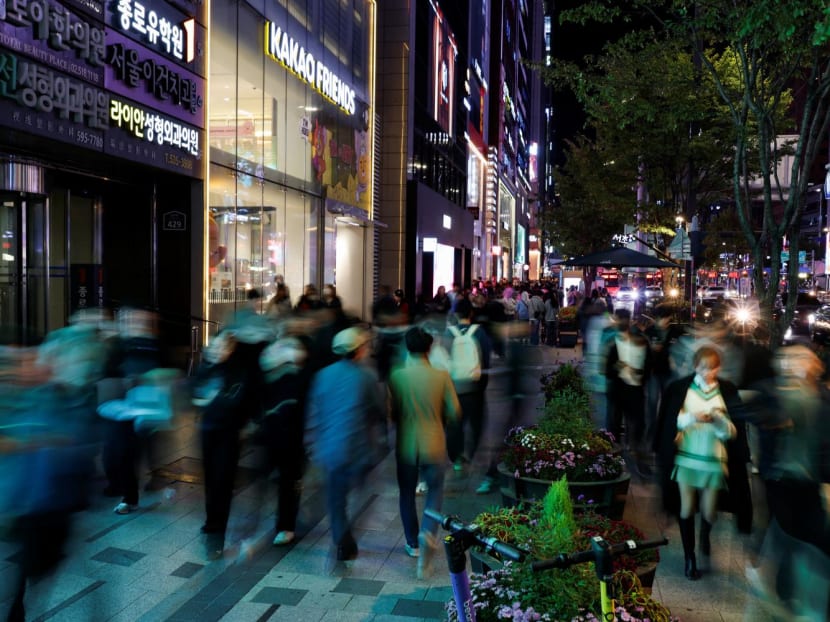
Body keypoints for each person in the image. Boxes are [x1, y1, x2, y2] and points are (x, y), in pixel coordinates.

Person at [654, 345, 742, 580]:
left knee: (710, 510)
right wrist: (693, 417)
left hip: (714, 458)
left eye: (713, 367)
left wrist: (718, 422)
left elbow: (733, 432)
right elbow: (672, 421)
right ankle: (689, 556)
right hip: (686, 456)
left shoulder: (727, 390)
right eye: (704, 367)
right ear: (695, 366)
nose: (708, 372)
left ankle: (705, 535)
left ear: (718, 367)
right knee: (686, 507)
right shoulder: (681, 388)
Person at [387, 327, 460, 578]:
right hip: (434, 442)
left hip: (406, 444)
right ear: (429, 349)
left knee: (406, 492)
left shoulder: (397, 376)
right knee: (435, 491)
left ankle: (412, 543)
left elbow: (390, 413)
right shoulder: (441, 376)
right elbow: (455, 411)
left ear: (408, 348)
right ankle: (428, 533)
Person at [305, 326, 383, 561]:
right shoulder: (365, 377)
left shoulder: (322, 375)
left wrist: (312, 445)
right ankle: (348, 533)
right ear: (358, 350)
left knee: (335, 499)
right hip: (358, 449)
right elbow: (378, 411)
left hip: (329, 450)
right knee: (365, 493)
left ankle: (342, 538)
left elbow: (313, 415)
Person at [258, 334, 310, 546]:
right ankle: (285, 525)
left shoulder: (295, 378)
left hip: (288, 439)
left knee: (287, 482)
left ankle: (285, 524)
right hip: (284, 438)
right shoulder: (290, 377)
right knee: (287, 482)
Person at [445, 298, 491, 471]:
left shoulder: (449, 334)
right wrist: (482, 385)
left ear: (455, 314)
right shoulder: (479, 332)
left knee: (455, 425)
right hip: (475, 388)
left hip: (454, 388)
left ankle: (456, 458)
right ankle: (470, 454)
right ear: (471, 313)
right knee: (476, 424)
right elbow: (485, 361)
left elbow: (444, 361)